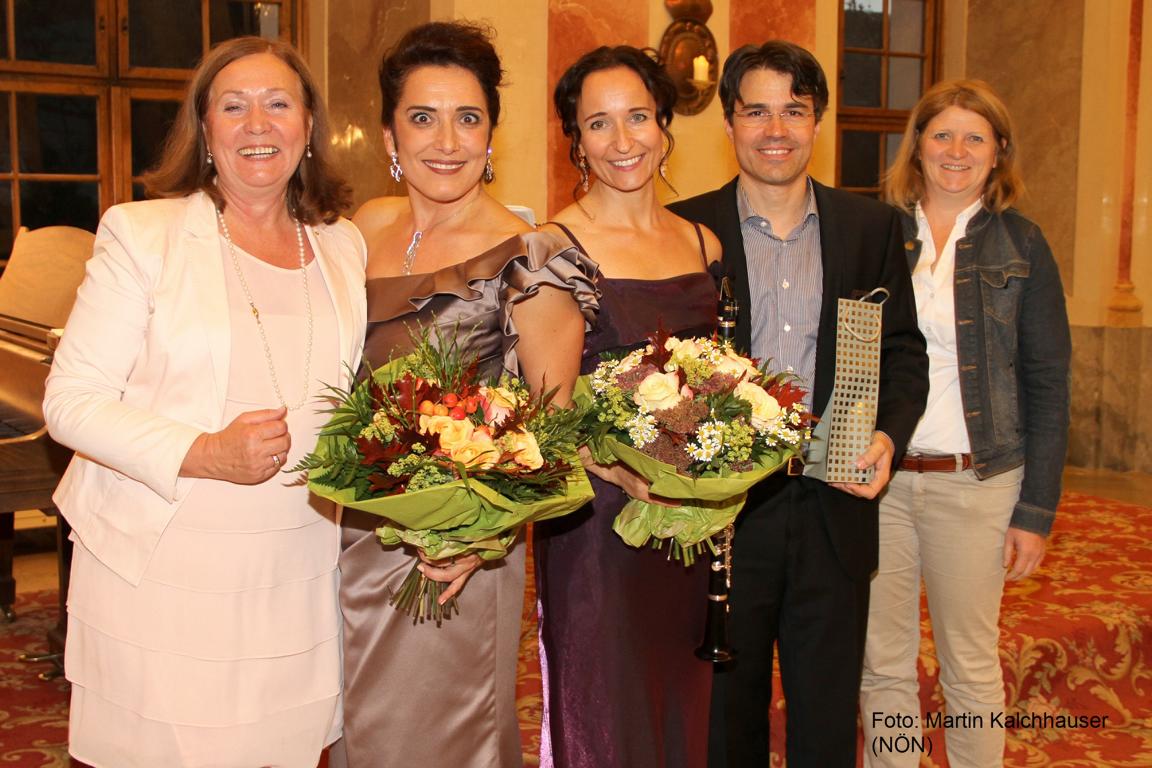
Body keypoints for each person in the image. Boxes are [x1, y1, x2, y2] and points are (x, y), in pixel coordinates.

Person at [42, 37, 366, 768]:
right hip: (166, 562)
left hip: (299, 563)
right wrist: (204, 452)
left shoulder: (342, 245)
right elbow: (70, 400)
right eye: (234, 105)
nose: (258, 124)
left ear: (308, 127)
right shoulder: (143, 235)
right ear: (206, 130)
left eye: (278, 104)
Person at [330, 22, 597, 768]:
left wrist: (475, 540)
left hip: (452, 552)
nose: (445, 139)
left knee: (431, 737)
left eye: (468, 117)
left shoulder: (533, 258)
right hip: (345, 536)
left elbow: (554, 431)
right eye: (422, 117)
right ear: (389, 132)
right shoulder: (364, 230)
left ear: (491, 136)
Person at [667, 41, 929, 767]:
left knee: (825, 721)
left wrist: (888, 438)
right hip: (723, 516)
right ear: (728, 122)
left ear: (817, 122)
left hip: (834, 504)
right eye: (756, 110)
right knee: (725, 722)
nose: (774, 128)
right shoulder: (686, 230)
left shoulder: (870, 230)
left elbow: (904, 353)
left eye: (794, 110)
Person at [858, 79, 1071, 768]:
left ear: (998, 152)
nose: (956, 150)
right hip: (879, 484)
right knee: (882, 663)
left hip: (976, 484)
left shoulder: (1022, 244)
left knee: (969, 667)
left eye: (974, 137)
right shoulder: (878, 233)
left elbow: (1047, 382)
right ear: (916, 145)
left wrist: (1035, 510)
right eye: (941, 133)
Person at [533, 46, 722, 768]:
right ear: (575, 141)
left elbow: (718, 382)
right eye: (599, 124)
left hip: (689, 523)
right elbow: (547, 418)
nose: (623, 141)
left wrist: (723, 457)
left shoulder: (701, 242)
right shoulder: (557, 247)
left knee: (681, 706)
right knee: (608, 718)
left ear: (665, 123)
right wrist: (621, 471)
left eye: (638, 116)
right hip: (600, 530)